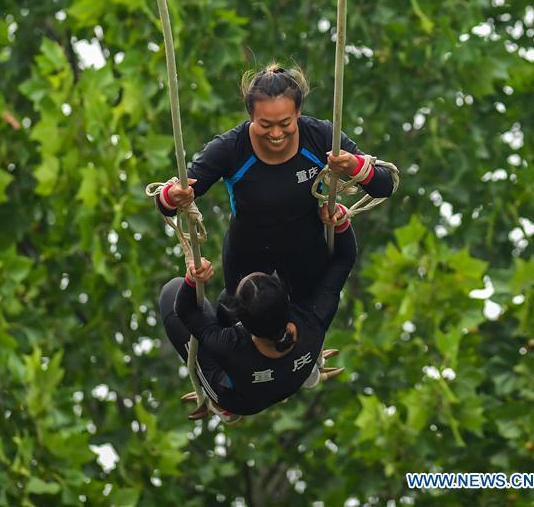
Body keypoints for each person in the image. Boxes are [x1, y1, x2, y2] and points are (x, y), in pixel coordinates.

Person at [155, 64, 398, 300]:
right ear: (251, 116)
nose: (276, 134)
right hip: (247, 275)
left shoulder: (321, 136)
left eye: (285, 123)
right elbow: (170, 201)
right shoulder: (230, 148)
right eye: (265, 124)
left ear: (298, 113)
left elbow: (384, 185)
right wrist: (172, 196)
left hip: (305, 267)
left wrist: (355, 167)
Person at [159, 203, 357, 420]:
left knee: (173, 291)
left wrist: (191, 281)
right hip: (295, 368)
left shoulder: (228, 345)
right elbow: (344, 259)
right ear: (287, 298)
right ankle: (303, 369)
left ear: (242, 325)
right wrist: (340, 219)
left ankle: (220, 405)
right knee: (227, 298)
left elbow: (184, 310)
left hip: (239, 399)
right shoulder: (315, 316)